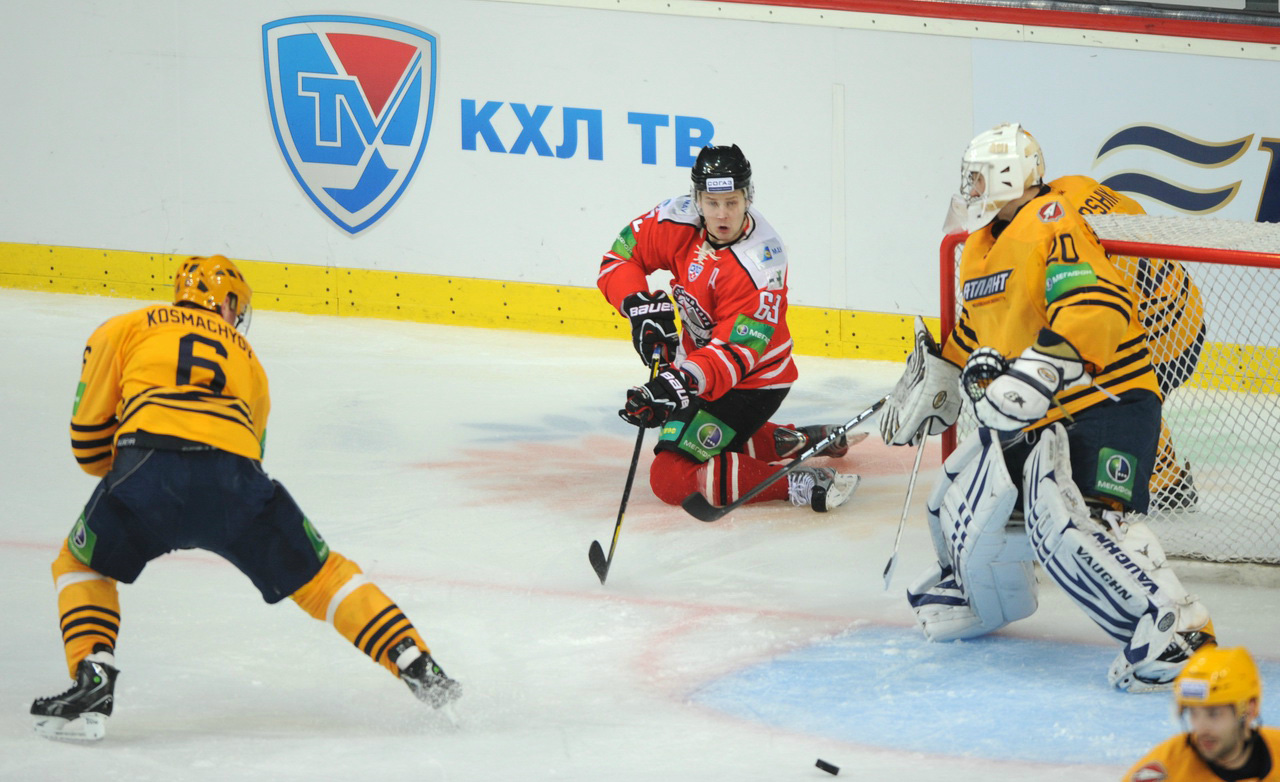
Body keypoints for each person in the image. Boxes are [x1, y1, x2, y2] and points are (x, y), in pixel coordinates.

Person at [30, 256, 461, 742]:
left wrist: (139, 473)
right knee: (322, 578)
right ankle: (415, 662)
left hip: (148, 471)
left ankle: (93, 673)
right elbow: (250, 450)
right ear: (227, 302)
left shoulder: (126, 327)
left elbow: (87, 444)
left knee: (81, 564)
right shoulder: (249, 360)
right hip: (234, 480)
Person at [879, 122, 1214, 692]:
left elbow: (1095, 306)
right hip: (1044, 416)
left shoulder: (1051, 222)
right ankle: (980, 595)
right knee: (958, 494)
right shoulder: (979, 249)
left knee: (1075, 519)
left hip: (1107, 399)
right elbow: (977, 331)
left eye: (977, 177)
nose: (969, 188)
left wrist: (1042, 368)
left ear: (1008, 177)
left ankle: (1177, 629)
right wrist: (942, 374)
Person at [597, 144, 861, 513]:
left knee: (670, 476)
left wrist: (678, 383)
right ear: (697, 199)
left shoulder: (761, 263)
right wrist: (639, 307)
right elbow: (620, 258)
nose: (722, 214)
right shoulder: (676, 219)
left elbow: (734, 353)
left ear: (748, 197)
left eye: (732, 202)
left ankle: (800, 483)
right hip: (701, 364)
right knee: (689, 430)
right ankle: (792, 440)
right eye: (712, 202)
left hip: (753, 381)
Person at [1125, 645, 1279, 780]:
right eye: (1193, 713)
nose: (1201, 727)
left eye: (1214, 713)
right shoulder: (1166, 768)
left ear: (1250, 709)